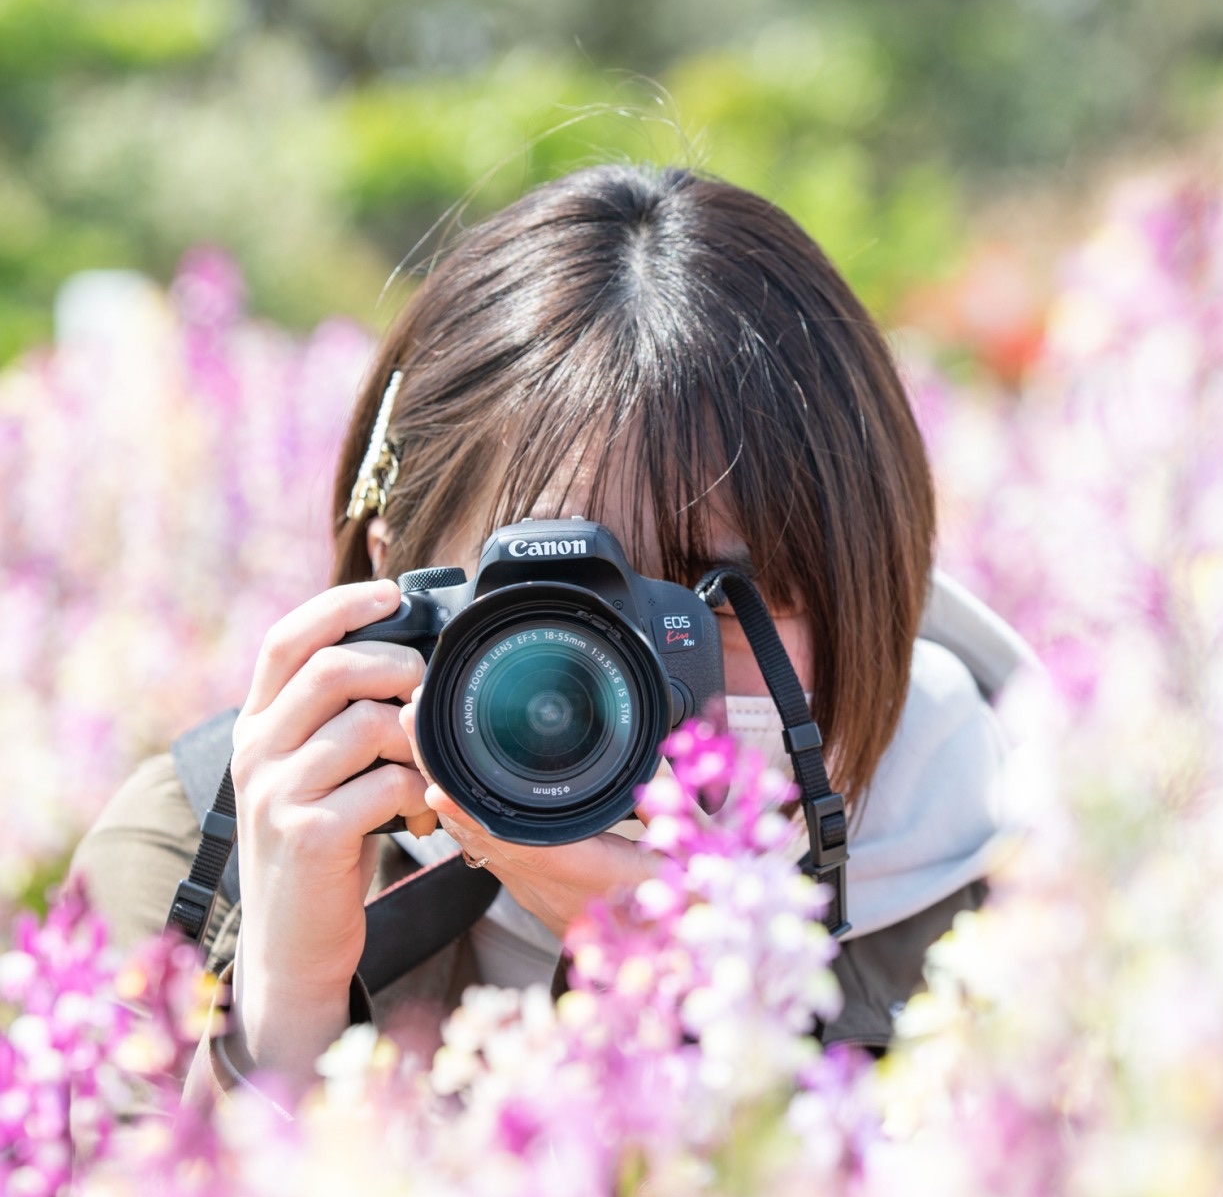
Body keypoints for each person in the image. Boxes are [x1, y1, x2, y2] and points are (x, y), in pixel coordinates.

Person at [72, 164, 1029, 1105]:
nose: (624, 678)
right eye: (544, 601)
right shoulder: (186, 862)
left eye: (721, 602)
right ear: (391, 582)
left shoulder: (1038, 902)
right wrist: (281, 1013)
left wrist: (711, 1010)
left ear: (875, 587)